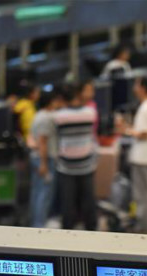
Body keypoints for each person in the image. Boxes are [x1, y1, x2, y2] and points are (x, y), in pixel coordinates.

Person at [53, 84, 99, 231]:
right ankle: (91, 231)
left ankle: (67, 232)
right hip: (86, 165)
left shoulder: (59, 116)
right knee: (88, 201)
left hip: (66, 166)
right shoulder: (90, 112)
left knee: (68, 203)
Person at [121, 78, 147, 234]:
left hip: (143, 157)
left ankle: (146, 228)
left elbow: (144, 134)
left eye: (137, 85)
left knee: (144, 195)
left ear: (144, 88)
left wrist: (127, 131)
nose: (134, 88)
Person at [29, 89, 65, 228]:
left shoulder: (38, 115)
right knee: (44, 194)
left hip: (38, 158)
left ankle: (36, 223)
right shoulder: (46, 118)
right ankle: (39, 225)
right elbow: (42, 142)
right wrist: (44, 164)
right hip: (44, 159)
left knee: (37, 192)